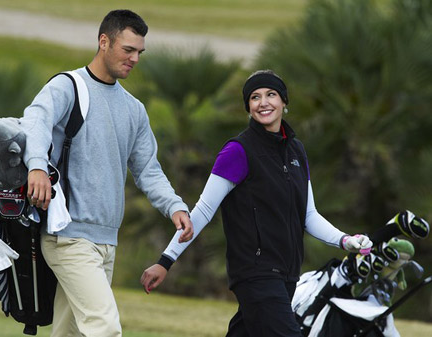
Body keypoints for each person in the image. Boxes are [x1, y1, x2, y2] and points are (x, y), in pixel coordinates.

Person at [140, 70, 372, 337]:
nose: (264, 102)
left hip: (287, 275)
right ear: (248, 108)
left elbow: (308, 215)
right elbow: (203, 211)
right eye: (255, 97)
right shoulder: (237, 151)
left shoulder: (296, 151)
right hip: (255, 274)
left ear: (284, 102)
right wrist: (166, 261)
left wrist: (345, 240)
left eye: (271, 95)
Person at [21, 9, 193, 337]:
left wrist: (175, 206)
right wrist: (37, 167)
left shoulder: (134, 110)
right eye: (128, 50)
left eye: (139, 52)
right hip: (67, 236)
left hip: (106, 242)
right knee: (104, 326)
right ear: (104, 41)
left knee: (69, 332)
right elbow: (35, 122)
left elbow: (147, 169)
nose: (135, 58)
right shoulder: (67, 86)